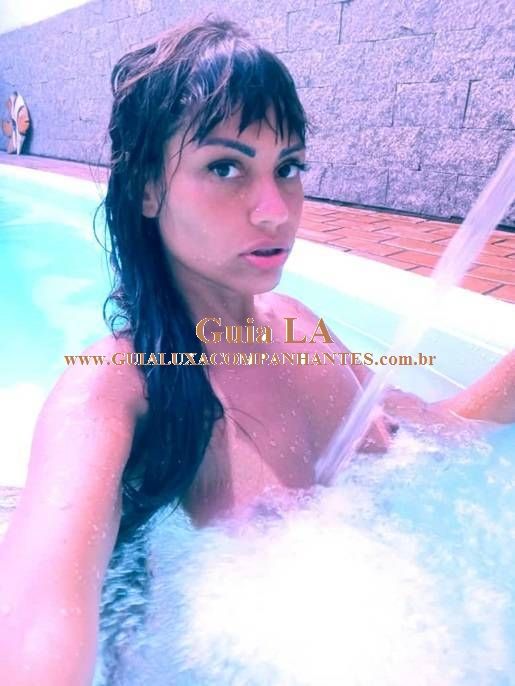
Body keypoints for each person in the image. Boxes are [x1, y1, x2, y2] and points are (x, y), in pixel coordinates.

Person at [0, 15, 514, 686]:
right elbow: (35, 626)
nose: (275, 210)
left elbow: (436, 432)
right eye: (225, 167)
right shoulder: (114, 391)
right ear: (148, 187)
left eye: (288, 167)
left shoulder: (298, 325)